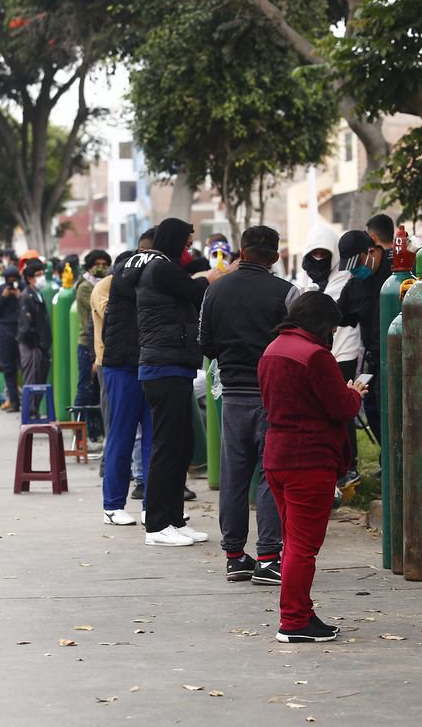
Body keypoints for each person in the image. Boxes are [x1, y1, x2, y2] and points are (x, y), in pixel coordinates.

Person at [258, 291, 368, 642]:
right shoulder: (316, 356)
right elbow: (340, 407)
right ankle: (293, 621)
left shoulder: (272, 349)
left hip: (277, 456)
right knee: (302, 548)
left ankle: (303, 613)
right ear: (322, 324)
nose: (334, 334)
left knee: (293, 542)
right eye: (333, 327)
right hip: (309, 460)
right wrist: (354, 393)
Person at [200, 225, 298, 584]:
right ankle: (269, 558)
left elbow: (206, 345)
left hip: (232, 397)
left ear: (240, 252)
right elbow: (298, 341)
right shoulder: (287, 292)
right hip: (272, 396)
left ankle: (234, 556)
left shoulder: (215, 291)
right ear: (274, 256)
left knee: (234, 476)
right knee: (271, 477)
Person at [135, 217, 228, 546]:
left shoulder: (164, 268)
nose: (189, 250)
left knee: (182, 446)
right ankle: (157, 525)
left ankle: (175, 517)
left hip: (176, 368)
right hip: (163, 368)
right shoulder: (161, 268)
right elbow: (194, 289)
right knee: (167, 447)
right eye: (187, 244)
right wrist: (213, 277)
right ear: (174, 240)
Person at [303, 224, 365, 487]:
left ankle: (349, 465)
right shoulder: (307, 279)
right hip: (316, 353)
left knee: (343, 408)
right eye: (314, 254)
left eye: (323, 253)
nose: (319, 259)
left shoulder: (345, 279)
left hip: (343, 351)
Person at [103, 234, 156, 521]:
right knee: (121, 438)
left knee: (153, 441)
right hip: (123, 366)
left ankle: (153, 507)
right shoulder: (124, 273)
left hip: (149, 366)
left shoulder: (156, 279)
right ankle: (112, 505)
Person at [335, 229, 390, 444]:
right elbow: (340, 315)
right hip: (374, 359)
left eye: (357, 264)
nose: (355, 271)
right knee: (373, 409)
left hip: (403, 356)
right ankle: (385, 458)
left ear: (371, 250)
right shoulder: (354, 286)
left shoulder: (398, 268)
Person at [75, 249, 111, 438]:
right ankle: (79, 434)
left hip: (97, 343)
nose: (101, 268)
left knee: (97, 392)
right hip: (88, 344)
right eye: (97, 264)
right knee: (85, 389)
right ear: (89, 265)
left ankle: (93, 431)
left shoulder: (102, 285)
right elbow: (91, 321)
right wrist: (93, 356)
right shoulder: (85, 287)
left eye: (105, 265)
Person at [17, 260, 52, 406]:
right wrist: (37, 344)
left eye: (42, 274)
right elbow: (26, 326)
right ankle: (29, 412)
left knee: (40, 378)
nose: (42, 277)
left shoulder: (37, 294)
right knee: (32, 380)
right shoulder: (26, 296)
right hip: (31, 345)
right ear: (29, 278)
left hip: (40, 346)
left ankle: (34, 410)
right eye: (38, 275)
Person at [0, 265, 23, 412]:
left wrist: (19, 297)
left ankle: (27, 400)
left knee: (24, 366)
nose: (12, 283)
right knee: (8, 368)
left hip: (21, 330)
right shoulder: (0, 290)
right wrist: (3, 297)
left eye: (14, 279)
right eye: (10, 280)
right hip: (4, 330)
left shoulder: (23, 290)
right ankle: (13, 400)